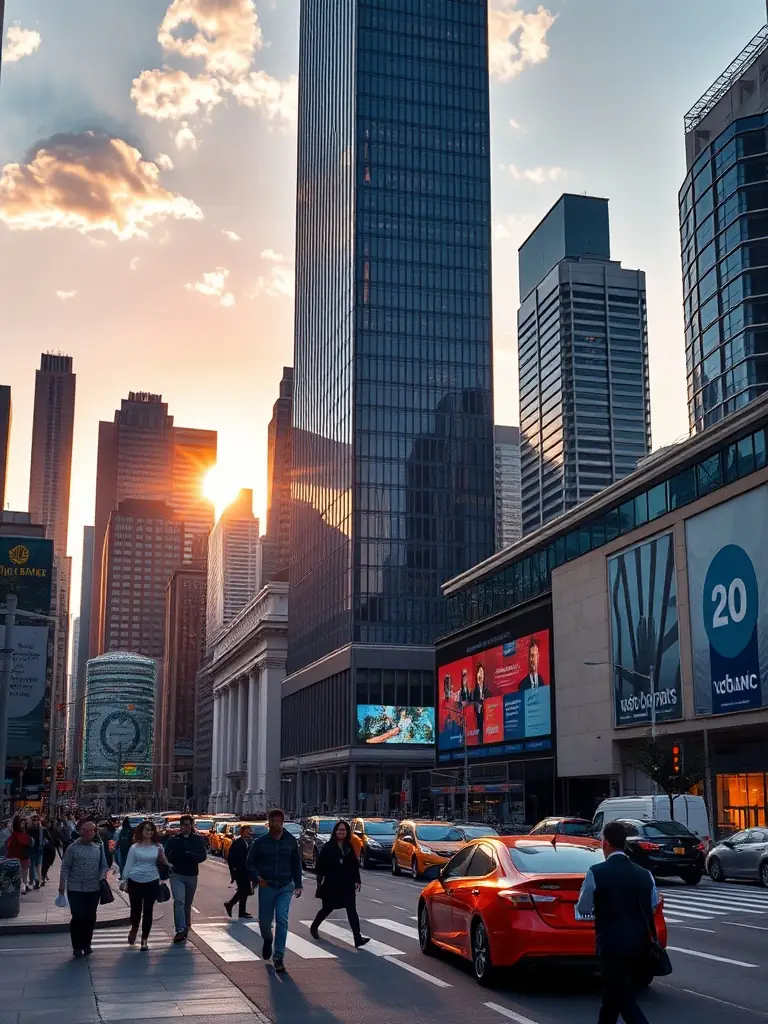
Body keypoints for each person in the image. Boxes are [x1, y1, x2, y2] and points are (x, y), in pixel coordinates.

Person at [576, 820, 659, 1024]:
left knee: (623, 999)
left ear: (605, 843)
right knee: (613, 996)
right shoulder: (644, 874)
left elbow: (583, 907)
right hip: (639, 943)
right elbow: (653, 904)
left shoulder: (596, 872)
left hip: (611, 944)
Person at [246, 808, 303, 973]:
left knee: (282, 919)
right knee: (264, 922)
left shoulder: (291, 841)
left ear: (282, 823)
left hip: (285, 885)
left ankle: (279, 956)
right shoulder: (261, 842)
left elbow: (296, 864)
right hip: (267, 885)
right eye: (273, 821)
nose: (276, 824)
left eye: (279, 821)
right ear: (269, 823)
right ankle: (267, 938)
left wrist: (298, 884)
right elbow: (250, 862)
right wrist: (257, 878)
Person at [310, 820, 369, 948]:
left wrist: (357, 880)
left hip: (347, 884)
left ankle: (357, 938)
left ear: (347, 832)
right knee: (327, 908)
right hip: (332, 884)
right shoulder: (328, 846)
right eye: (339, 830)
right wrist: (321, 879)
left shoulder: (349, 846)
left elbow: (354, 865)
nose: (341, 832)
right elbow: (319, 865)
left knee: (352, 910)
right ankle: (314, 926)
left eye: (343, 830)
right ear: (335, 832)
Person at [58, 819, 109, 957]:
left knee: (90, 917)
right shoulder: (72, 848)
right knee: (78, 917)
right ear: (80, 832)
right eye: (86, 831)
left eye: (92, 830)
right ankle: (77, 946)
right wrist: (62, 884)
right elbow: (65, 867)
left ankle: (87, 943)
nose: (89, 833)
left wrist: (102, 876)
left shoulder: (98, 847)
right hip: (75, 889)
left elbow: (104, 865)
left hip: (93, 888)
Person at [120, 820, 168, 950]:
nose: (149, 832)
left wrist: (165, 862)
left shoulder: (158, 847)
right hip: (135, 880)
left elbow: (164, 863)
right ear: (141, 831)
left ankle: (144, 939)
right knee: (136, 910)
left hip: (152, 880)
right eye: (146, 829)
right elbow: (128, 864)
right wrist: (124, 880)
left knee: (148, 910)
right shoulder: (134, 848)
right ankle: (134, 927)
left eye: (151, 829)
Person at [165, 814, 207, 943]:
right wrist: (169, 865)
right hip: (177, 874)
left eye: (189, 825)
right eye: (184, 825)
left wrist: (191, 856)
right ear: (180, 826)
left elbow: (203, 856)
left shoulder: (198, 840)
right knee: (179, 901)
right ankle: (180, 929)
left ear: (192, 826)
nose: (186, 827)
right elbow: (166, 855)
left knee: (187, 903)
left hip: (192, 874)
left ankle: (187, 926)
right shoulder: (173, 839)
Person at [225, 824, 254, 919]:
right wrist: (233, 871)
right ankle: (230, 904)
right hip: (240, 871)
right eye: (247, 831)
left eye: (250, 831)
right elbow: (231, 857)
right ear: (242, 832)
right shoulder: (238, 842)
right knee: (243, 890)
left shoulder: (248, 842)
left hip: (245, 871)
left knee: (245, 891)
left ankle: (242, 912)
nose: (249, 832)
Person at [7, 816, 32, 893]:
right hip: (21, 856)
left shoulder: (14, 834)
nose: (24, 824)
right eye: (22, 823)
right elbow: (25, 843)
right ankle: (23, 887)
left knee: (20, 872)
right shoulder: (20, 834)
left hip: (17, 856)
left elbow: (9, 844)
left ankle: (23, 886)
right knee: (22, 872)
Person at [27, 813, 47, 889]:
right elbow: (43, 840)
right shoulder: (41, 829)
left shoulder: (29, 829)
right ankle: (39, 880)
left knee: (32, 866)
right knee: (38, 866)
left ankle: (35, 879)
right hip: (40, 849)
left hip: (32, 849)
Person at [473, 663, 488, 741]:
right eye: (480, 672)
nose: (482, 675)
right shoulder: (474, 689)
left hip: (486, 715)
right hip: (477, 716)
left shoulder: (486, 689)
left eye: (483, 673)